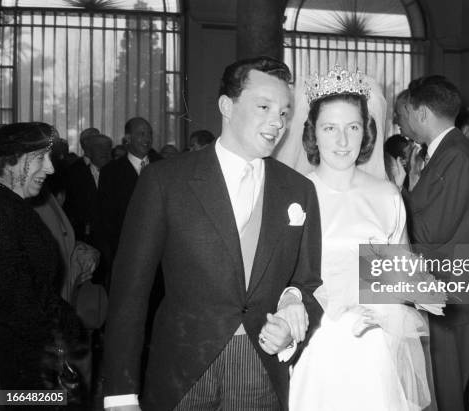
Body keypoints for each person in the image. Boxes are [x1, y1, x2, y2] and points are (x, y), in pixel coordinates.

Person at [102, 56, 323, 411]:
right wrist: (120, 392)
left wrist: (291, 325)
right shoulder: (165, 181)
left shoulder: (298, 190)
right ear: (226, 106)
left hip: (261, 371)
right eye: (264, 107)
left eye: (284, 112)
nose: (277, 122)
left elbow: (307, 282)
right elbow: (129, 293)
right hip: (183, 370)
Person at [278, 66, 434, 410]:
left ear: (366, 132)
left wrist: (426, 288)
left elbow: (400, 274)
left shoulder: (386, 196)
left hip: (373, 344)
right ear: (313, 133)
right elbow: (281, 279)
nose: (342, 140)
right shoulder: (296, 196)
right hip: (316, 344)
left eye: (352, 127)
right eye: (330, 128)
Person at [402, 75, 469, 411]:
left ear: (422, 112)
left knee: (445, 390)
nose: (404, 120)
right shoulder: (444, 152)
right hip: (441, 285)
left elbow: (432, 230)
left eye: (407, 112)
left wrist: (391, 206)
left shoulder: (455, 155)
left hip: (450, 288)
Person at [0, 122, 87, 395]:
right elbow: (16, 299)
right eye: (39, 158)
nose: (49, 168)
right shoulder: (3, 211)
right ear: (10, 161)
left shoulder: (14, 207)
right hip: (15, 366)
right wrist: (66, 325)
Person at [96, 117, 162, 288]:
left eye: (149, 134)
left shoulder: (163, 166)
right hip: (127, 255)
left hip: (161, 258)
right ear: (127, 138)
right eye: (141, 134)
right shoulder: (111, 173)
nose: (147, 139)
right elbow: (107, 219)